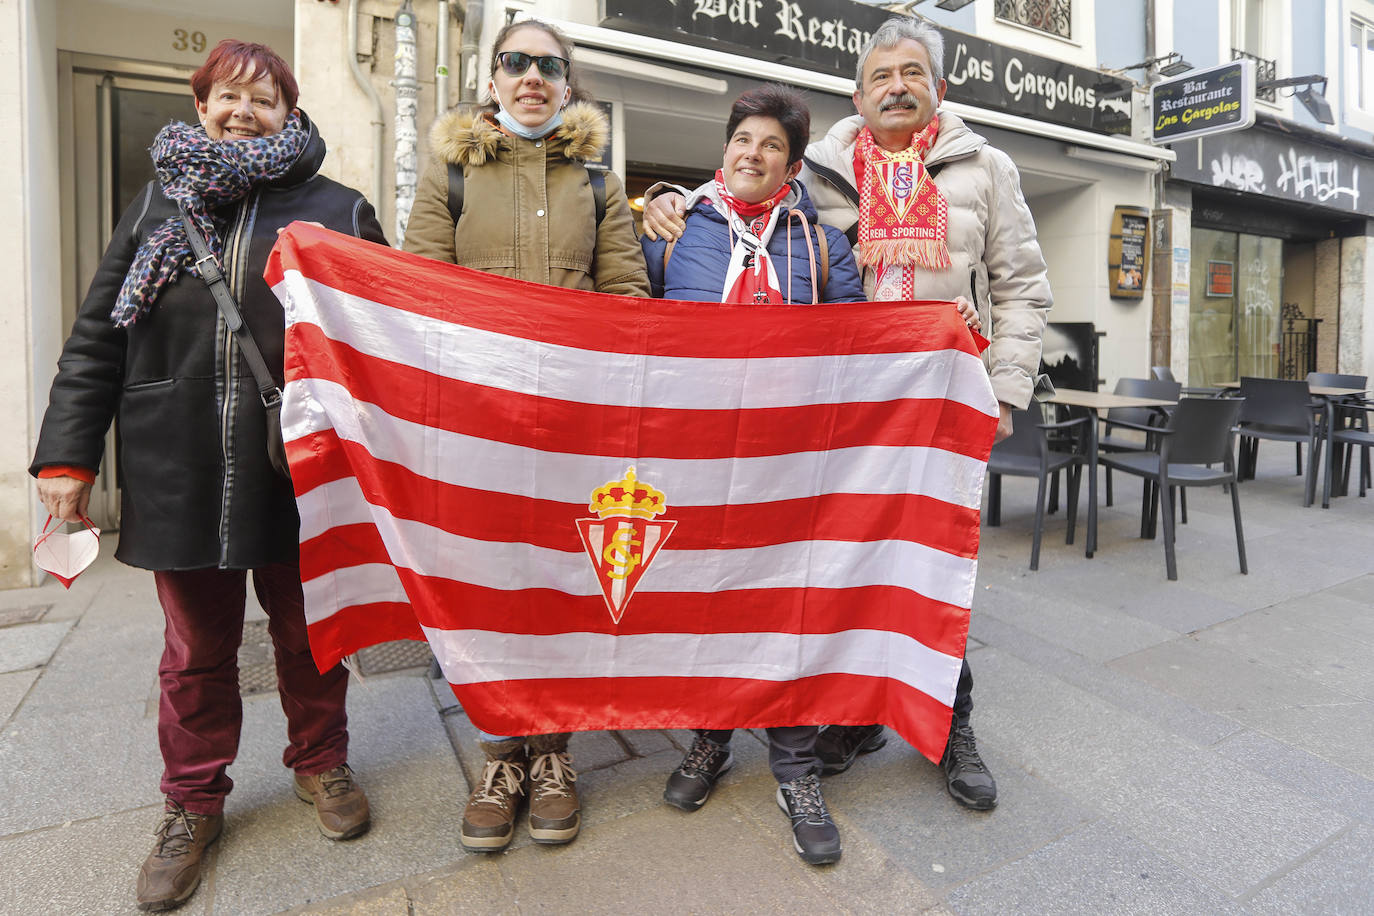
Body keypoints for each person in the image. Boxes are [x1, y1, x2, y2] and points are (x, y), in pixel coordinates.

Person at [643, 15, 1051, 813]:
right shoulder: (824, 169)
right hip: (845, 417)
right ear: (857, 94)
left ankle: (949, 727)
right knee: (849, 565)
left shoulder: (986, 167)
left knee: (935, 565)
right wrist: (670, 199)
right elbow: (743, 197)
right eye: (880, 76)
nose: (895, 86)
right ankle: (857, 716)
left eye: (912, 73)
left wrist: (1004, 390)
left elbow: (1023, 286)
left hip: (938, 402)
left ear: (939, 87)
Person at [30, 40, 387, 912]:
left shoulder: (335, 208)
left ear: (289, 112)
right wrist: (67, 455)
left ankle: (322, 761)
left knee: (310, 632)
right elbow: (97, 335)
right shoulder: (157, 202)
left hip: (298, 465)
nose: (242, 112)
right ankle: (192, 800)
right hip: (177, 458)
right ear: (201, 107)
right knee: (195, 651)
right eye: (226, 96)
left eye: (263, 99)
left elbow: (385, 335)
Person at [403, 17, 649, 854]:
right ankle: (500, 752)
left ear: (568, 84)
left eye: (549, 65)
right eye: (517, 63)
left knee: (564, 586)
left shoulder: (600, 183)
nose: (532, 77)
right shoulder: (451, 171)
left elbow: (625, 298)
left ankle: (553, 753)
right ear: (493, 76)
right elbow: (419, 295)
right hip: (480, 425)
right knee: (486, 587)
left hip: (576, 423)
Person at [640, 83, 864, 866]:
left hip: (792, 460)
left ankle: (797, 768)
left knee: (785, 608)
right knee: (708, 600)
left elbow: (856, 352)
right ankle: (710, 736)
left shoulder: (825, 246)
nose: (752, 154)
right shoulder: (670, 232)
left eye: (771, 146)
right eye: (743, 141)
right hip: (699, 455)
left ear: (792, 165)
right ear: (724, 150)